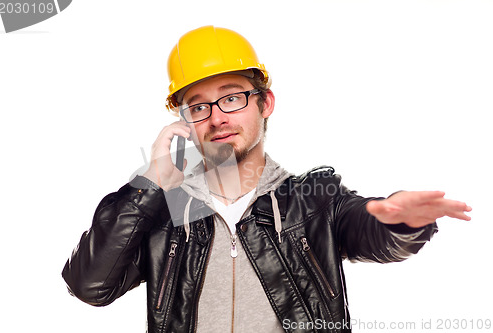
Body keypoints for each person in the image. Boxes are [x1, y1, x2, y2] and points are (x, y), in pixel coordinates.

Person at [62, 25, 472, 333]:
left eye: (232, 97)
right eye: (198, 106)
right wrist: (150, 183)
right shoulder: (166, 213)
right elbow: (89, 285)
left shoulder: (313, 198)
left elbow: (369, 231)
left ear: (265, 103)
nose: (217, 117)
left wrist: (398, 220)